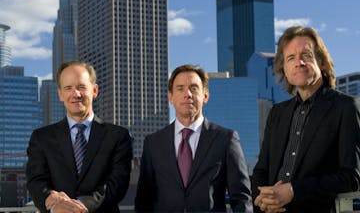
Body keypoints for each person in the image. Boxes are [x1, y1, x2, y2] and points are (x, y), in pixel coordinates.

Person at [251, 26, 360, 213]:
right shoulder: (277, 113)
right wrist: (261, 198)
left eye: (306, 56)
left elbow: (351, 177)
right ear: (284, 69)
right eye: (290, 58)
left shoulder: (345, 107)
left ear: (322, 63)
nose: (298, 62)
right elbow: (261, 170)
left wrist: (294, 190)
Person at [134, 64, 253, 212]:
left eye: (194, 88)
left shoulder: (226, 139)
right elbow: (144, 199)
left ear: (205, 96)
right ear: (170, 97)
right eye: (180, 88)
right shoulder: (153, 143)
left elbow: (242, 198)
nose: (187, 94)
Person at [26, 60, 133, 213]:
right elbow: (36, 181)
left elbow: (116, 184)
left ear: (94, 90)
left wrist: (74, 206)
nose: (75, 94)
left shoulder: (118, 136)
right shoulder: (41, 138)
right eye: (68, 88)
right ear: (60, 94)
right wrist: (52, 202)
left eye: (81, 87)